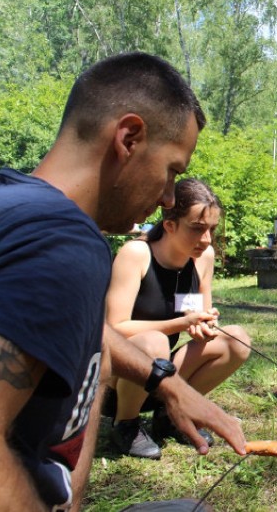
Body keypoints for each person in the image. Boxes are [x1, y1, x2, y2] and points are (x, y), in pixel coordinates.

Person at [0, 52, 246, 510]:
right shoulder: (61, 240)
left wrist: (168, 383)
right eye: (172, 171)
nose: (167, 198)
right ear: (129, 137)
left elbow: (71, 327)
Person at [104, 178, 251, 459]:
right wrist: (179, 324)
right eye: (197, 229)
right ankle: (125, 424)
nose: (207, 239)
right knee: (155, 343)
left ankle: (172, 415)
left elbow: (199, 314)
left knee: (238, 340)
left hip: (161, 372)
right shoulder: (136, 254)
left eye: (212, 229)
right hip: (121, 376)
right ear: (170, 225)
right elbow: (114, 328)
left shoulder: (203, 257)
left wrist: (205, 324)